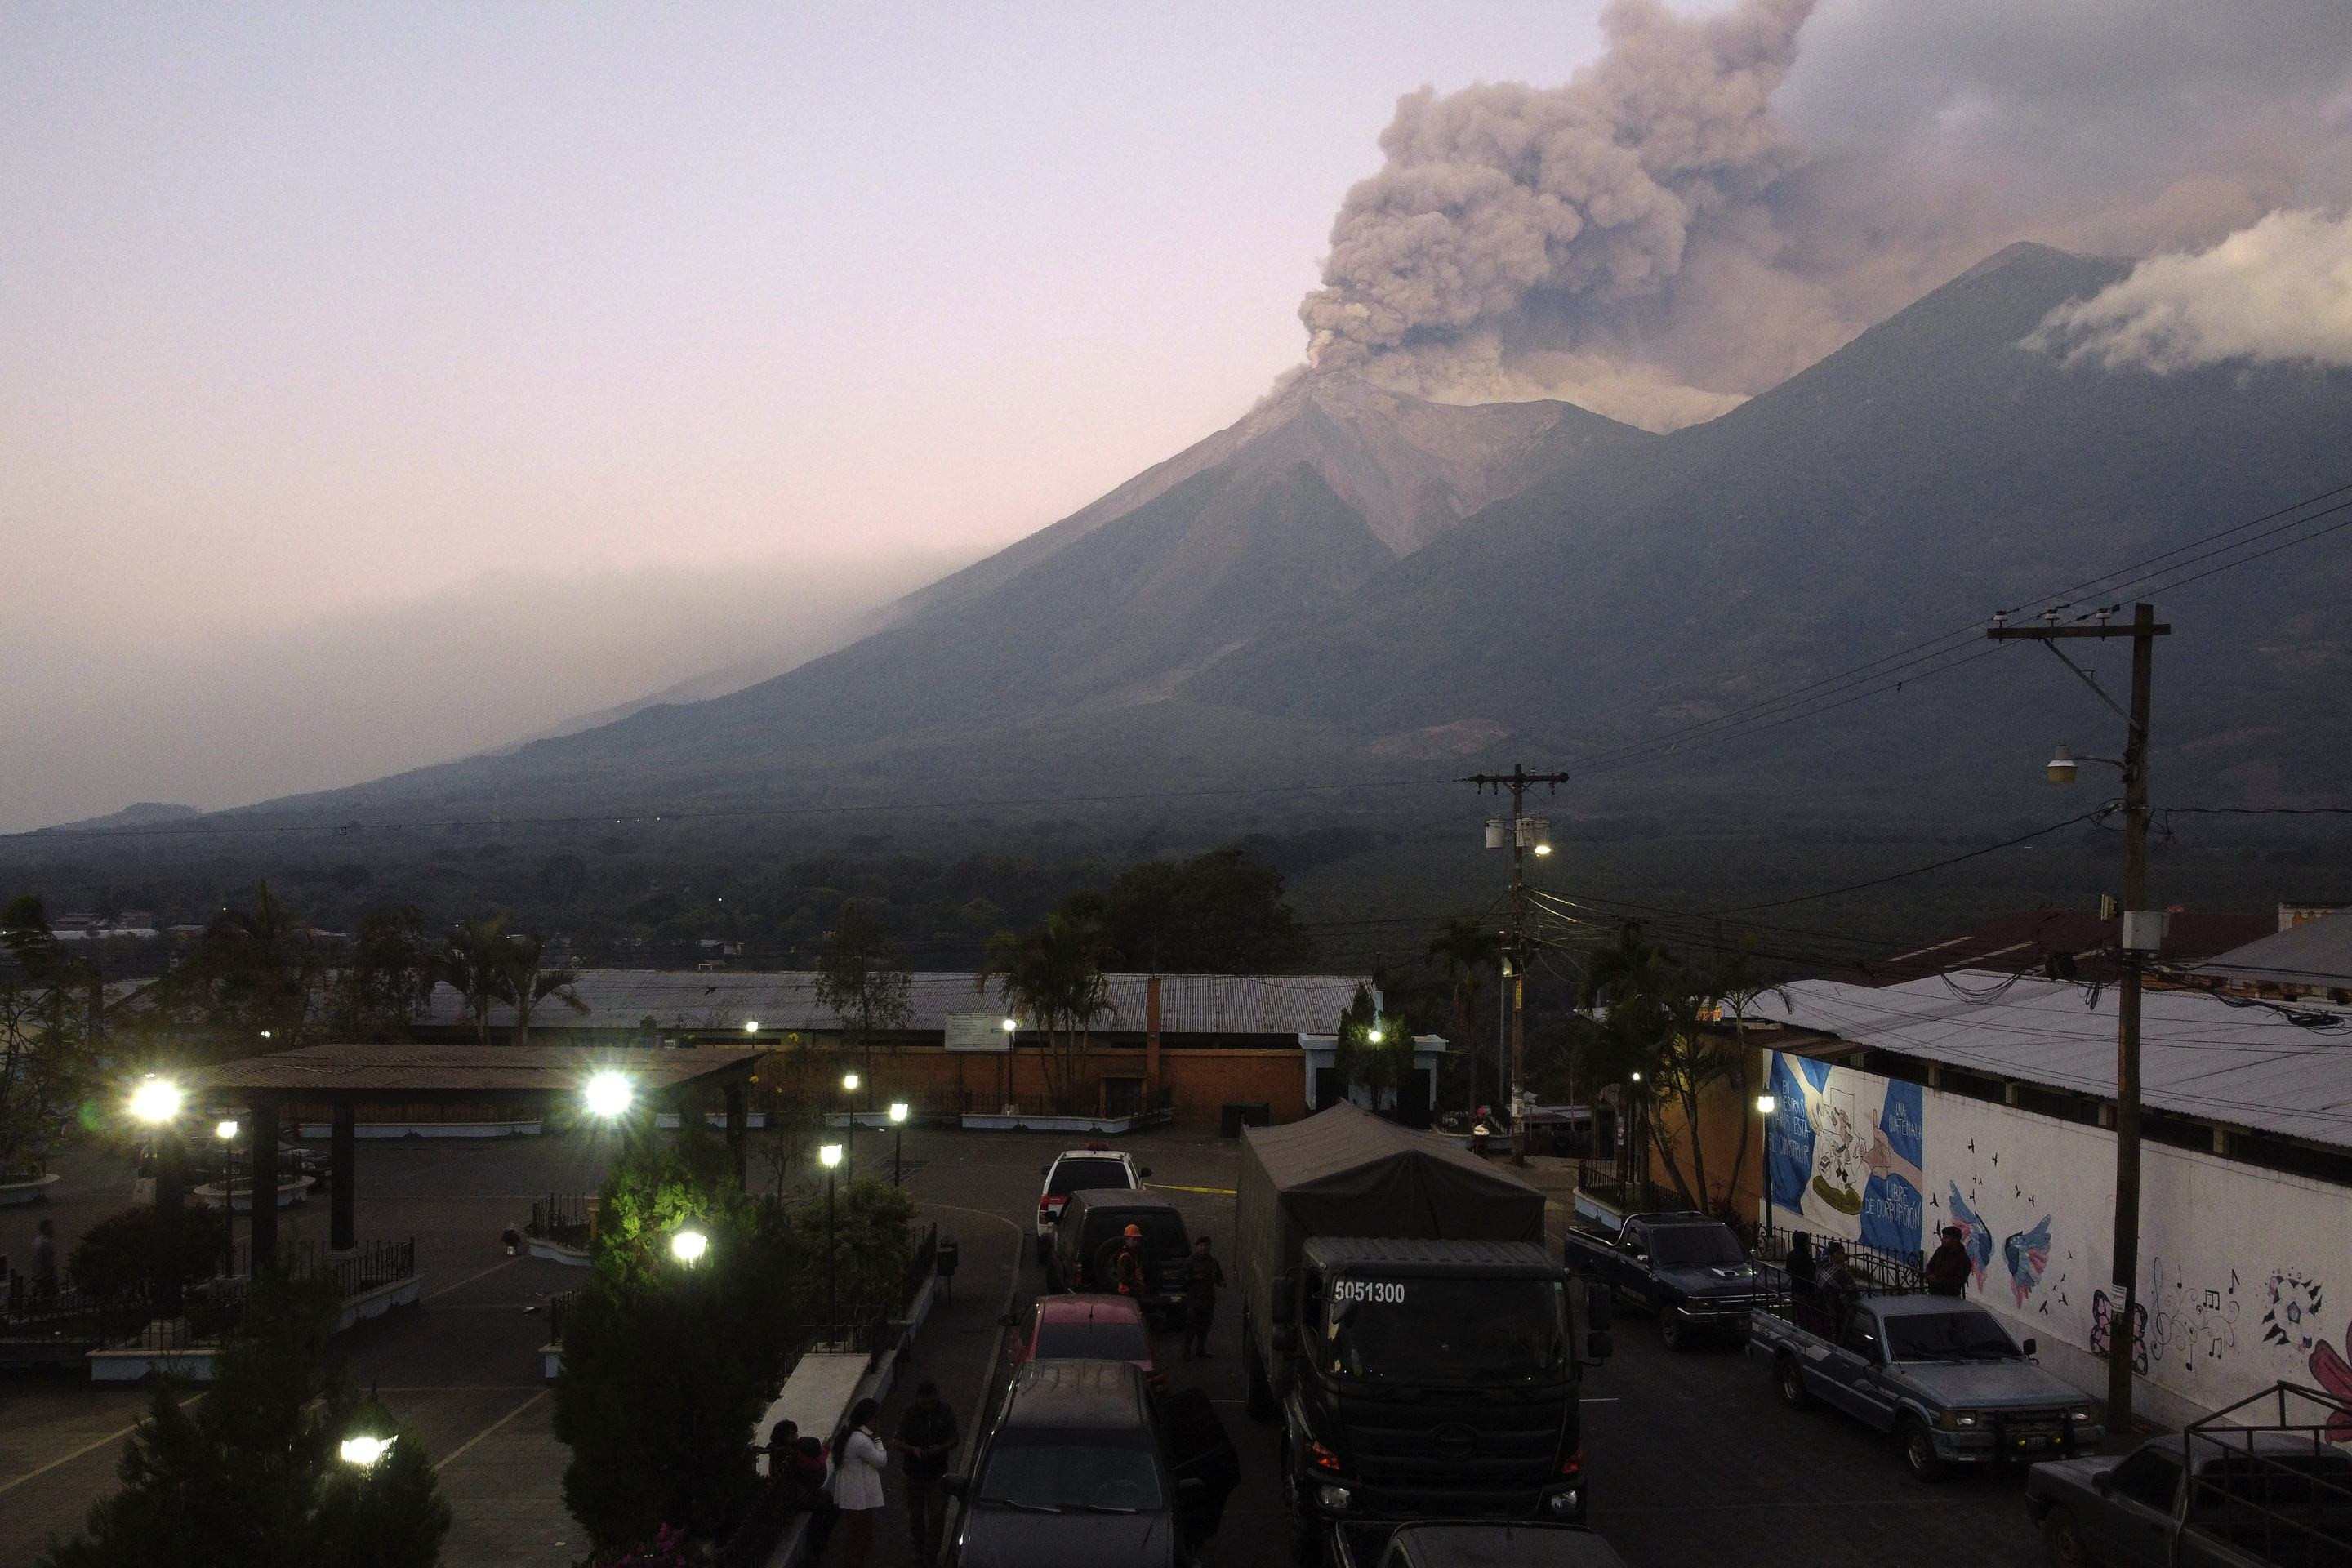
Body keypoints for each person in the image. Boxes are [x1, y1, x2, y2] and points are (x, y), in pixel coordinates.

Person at [895, 1380, 960, 1557]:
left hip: (937, 1474)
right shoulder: (909, 1413)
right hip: (913, 1474)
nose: (929, 1406)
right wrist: (913, 1450)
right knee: (916, 1517)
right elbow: (897, 1440)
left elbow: (955, 1438)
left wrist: (940, 1448)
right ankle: (919, 1550)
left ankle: (931, 1554)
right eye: (925, 1403)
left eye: (931, 1402)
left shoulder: (945, 1412)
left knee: (937, 1517)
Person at [830, 1398, 887, 1566]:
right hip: (857, 1498)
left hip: (853, 1495)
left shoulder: (849, 1435)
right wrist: (878, 1441)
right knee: (859, 1541)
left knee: (858, 1539)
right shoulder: (860, 1440)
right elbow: (881, 1460)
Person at [1181, 1236, 1224, 1361]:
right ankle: (1186, 1352)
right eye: (1202, 1245)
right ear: (1197, 1247)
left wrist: (1221, 1282)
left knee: (1205, 1326)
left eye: (1207, 1245)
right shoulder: (1190, 1261)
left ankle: (1201, 1349)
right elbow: (1183, 1277)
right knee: (1191, 1326)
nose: (1205, 1248)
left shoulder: (1213, 1262)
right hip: (1194, 1300)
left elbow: (1218, 1276)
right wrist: (1193, 1278)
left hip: (1208, 1299)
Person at [1817, 1241, 1860, 1338]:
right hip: (1837, 1306)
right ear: (1836, 1254)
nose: (1844, 1255)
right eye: (1842, 1253)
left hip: (1825, 1304)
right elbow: (1854, 1293)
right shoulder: (1841, 1273)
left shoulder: (1825, 1266)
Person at [1924, 1225, 1971, 1298]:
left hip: (1951, 1296)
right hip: (1933, 1293)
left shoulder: (1962, 1258)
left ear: (1955, 1240)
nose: (1942, 1240)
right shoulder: (1940, 1251)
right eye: (1943, 1237)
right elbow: (1930, 1266)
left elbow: (1959, 1280)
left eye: (1946, 1238)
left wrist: (1938, 1280)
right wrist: (1929, 1275)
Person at [1111, 1224, 1146, 1299]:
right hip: (1128, 1293)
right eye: (1134, 1239)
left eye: (1138, 1239)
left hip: (1132, 1292)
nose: (1136, 1242)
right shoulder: (1125, 1256)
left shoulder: (1132, 1253)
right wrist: (1137, 1286)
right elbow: (1124, 1278)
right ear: (1127, 1239)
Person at [31, 1218, 59, 1303]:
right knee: (49, 1297)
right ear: (46, 1229)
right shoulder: (46, 1243)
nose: (53, 1230)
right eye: (51, 1228)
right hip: (46, 1275)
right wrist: (52, 1274)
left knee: (42, 1295)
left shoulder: (38, 1240)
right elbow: (48, 1261)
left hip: (39, 1273)